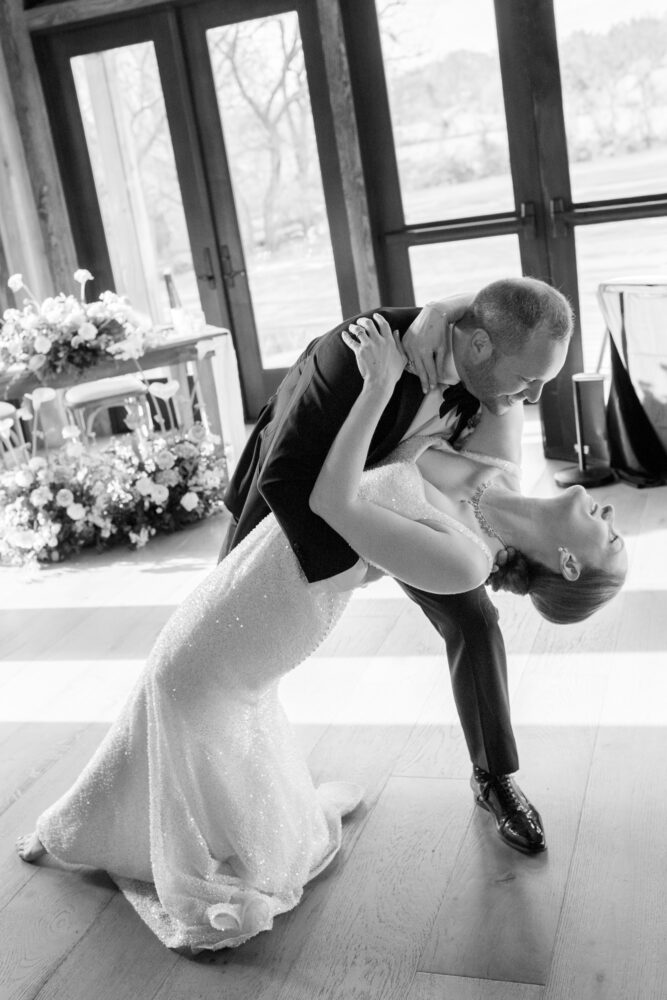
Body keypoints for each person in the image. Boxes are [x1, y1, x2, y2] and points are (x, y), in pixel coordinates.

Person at [16, 308, 626, 955]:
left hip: (300, 575)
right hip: (274, 560)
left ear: (567, 563)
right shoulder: (480, 456)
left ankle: (493, 777)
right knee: (174, 694)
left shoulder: (470, 549)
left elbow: (339, 502)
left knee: (185, 692)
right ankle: (78, 824)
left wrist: (374, 387)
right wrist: (408, 355)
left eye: (610, 537)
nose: (613, 513)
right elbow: (420, 418)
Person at [220, 277, 575, 856]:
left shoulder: (479, 363)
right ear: (480, 346)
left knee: (476, 621)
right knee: (227, 640)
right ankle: (224, 781)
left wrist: (447, 306)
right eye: (529, 380)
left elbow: (507, 298)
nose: (534, 397)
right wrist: (351, 571)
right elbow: (284, 476)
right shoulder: (363, 353)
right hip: (290, 505)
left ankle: (494, 777)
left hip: (398, 500)